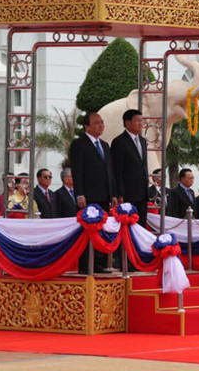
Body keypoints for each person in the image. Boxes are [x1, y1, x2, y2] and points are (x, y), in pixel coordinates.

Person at [70, 112, 116, 274]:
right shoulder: (79, 144)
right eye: (97, 123)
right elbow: (77, 171)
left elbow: (110, 172)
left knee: (101, 231)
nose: (101, 125)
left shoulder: (104, 145)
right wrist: (79, 193)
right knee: (89, 231)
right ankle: (86, 265)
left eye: (102, 122)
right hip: (88, 197)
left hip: (104, 196)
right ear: (87, 127)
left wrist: (113, 195)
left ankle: (100, 264)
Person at [111, 109, 149, 227]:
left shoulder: (142, 141)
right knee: (128, 226)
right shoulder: (119, 142)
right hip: (128, 193)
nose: (141, 124)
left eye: (142, 121)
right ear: (127, 123)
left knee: (141, 225)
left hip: (142, 192)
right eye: (138, 121)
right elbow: (117, 170)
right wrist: (119, 194)